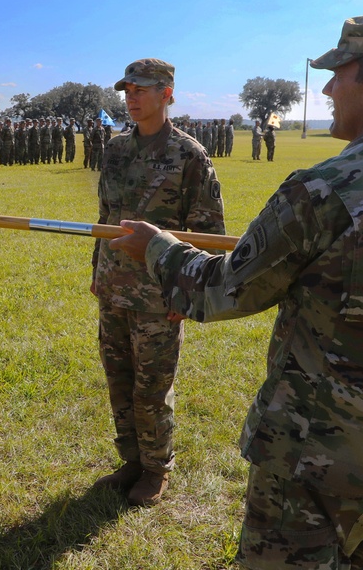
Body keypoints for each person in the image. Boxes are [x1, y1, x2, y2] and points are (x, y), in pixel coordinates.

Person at [109, 13, 363, 568]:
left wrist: (157, 247)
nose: (326, 88)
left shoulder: (325, 190)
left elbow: (221, 290)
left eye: (337, 73)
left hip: (311, 465)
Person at [91, 58, 225, 507]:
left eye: (142, 90)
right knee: (119, 380)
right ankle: (131, 460)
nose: (131, 98)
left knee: (152, 387)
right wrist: (98, 272)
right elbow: (106, 218)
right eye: (127, 90)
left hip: (158, 293)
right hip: (114, 287)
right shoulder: (114, 149)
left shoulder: (189, 155)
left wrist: (185, 292)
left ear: (168, 92)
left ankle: (155, 469)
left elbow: (207, 231)